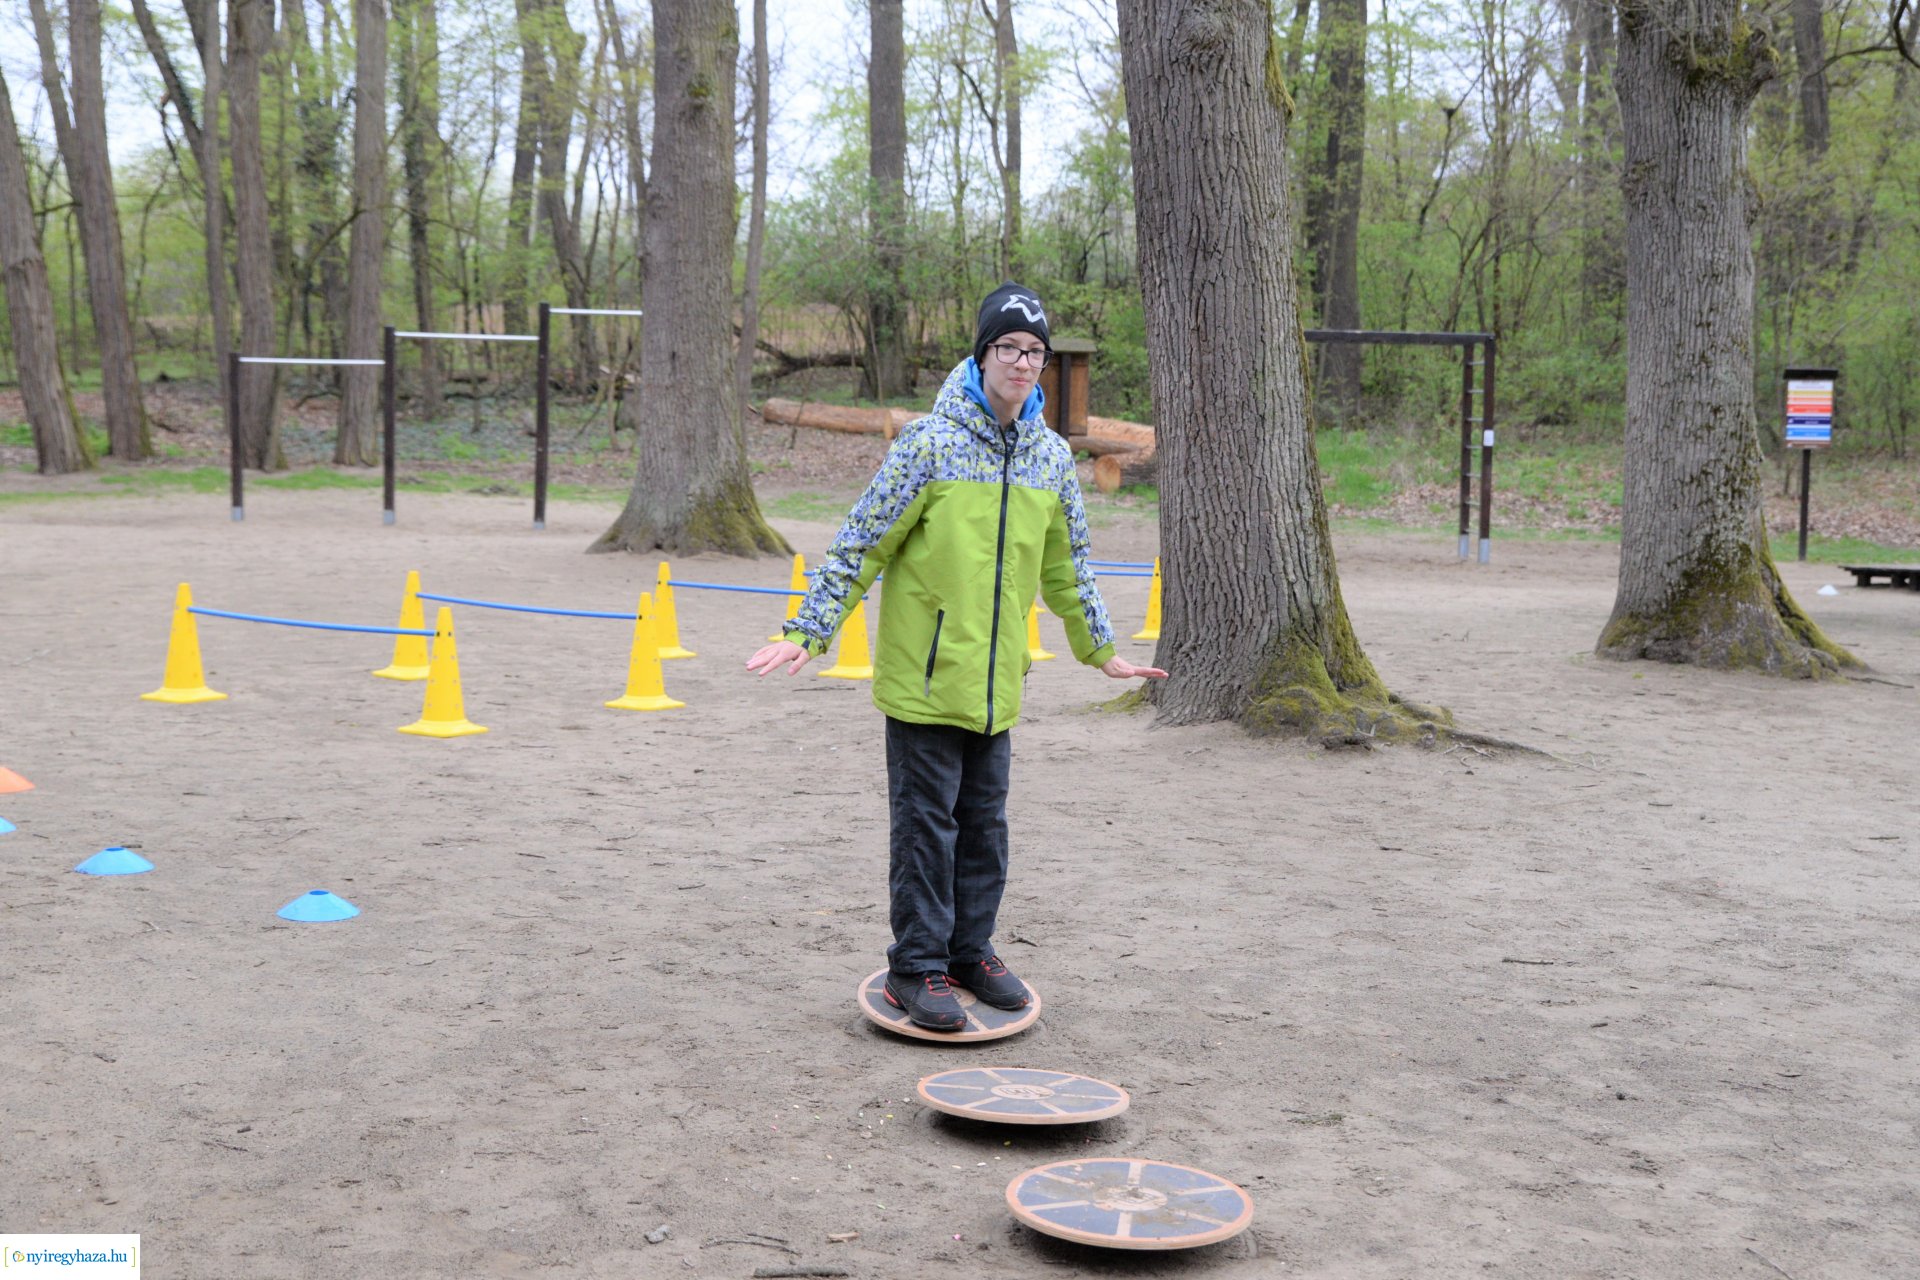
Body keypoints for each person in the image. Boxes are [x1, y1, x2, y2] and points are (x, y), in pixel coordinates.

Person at [745, 282, 1167, 1032]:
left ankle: (972, 951)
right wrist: (806, 631)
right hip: (924, 684)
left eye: (1035, 352)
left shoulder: (1048, 458)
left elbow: (1068, 565)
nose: (1023, 363)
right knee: (925, 830)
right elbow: (861, 542)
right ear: (982, 354)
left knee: (984, 829)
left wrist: (1102, 650)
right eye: (1009, 347)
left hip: (996, 689)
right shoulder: (928, 445)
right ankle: (917, 965)